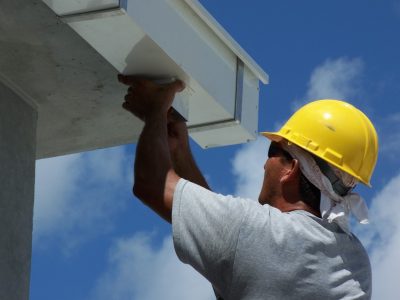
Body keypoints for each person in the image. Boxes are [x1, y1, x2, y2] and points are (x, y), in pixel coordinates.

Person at [118, 74, 378, 300]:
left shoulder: (259, 234)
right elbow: (231, 241)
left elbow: (152, 184)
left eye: (272, 152)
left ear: (292, 169)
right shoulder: (356, 264)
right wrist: (180, 151)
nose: (264, 166)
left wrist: (154, 111)